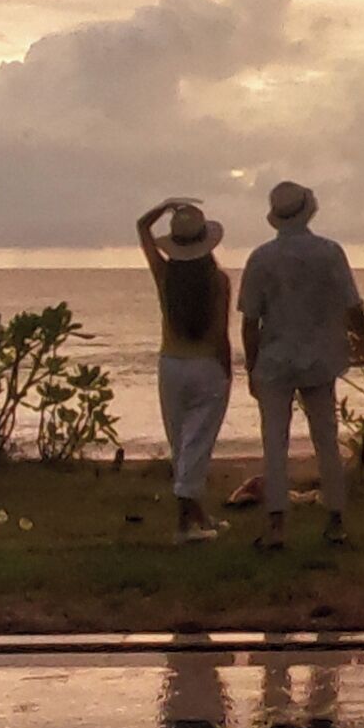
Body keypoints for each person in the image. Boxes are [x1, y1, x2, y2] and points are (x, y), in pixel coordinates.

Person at [237, 178, 362, 551]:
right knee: (326, 439)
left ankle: (277, 525)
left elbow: (250, 321)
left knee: (274, 443)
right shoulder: (330, 252)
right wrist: (363, 344)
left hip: (275, 359)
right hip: (320, 358)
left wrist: (251, 367)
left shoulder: (261, 258)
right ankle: (335, 519)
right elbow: (352, 306)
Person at [135, 198, 235, 538]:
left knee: (182, 443)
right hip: (206, 364)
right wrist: (228, 370)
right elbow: (220, 334)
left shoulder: (165, 276)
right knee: (197, 444)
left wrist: (164, 207)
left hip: (172, 365)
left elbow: (142, 227)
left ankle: (197, 516)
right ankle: (185, 523)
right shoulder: (217, 281)